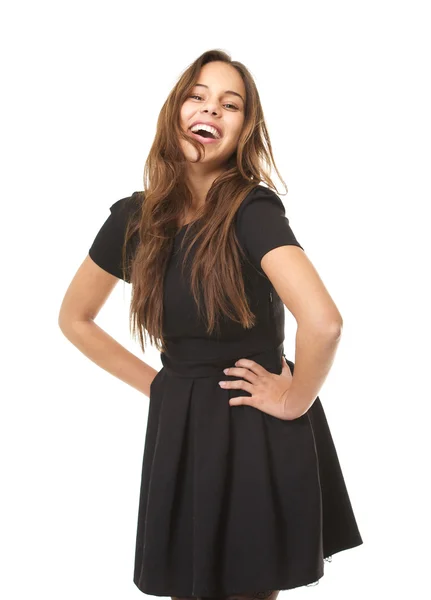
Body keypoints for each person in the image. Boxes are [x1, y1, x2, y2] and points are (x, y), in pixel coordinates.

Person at [58, 49, 363, 600]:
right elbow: (75, 319)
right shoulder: (134, 218)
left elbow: (324, 322)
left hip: (254, 423)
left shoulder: (252, 211)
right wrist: (157, 385)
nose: (211, 110)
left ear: (245, 131)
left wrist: (295, 399)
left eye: (231, 104)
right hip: (181, 423)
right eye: (197, 96)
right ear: (175, 109)